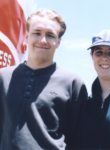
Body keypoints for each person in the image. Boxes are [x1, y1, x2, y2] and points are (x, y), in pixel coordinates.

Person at [0, 9, 88, 150]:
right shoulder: (2, 77)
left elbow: (80, 138)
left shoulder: (72, 83)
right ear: (26, 36)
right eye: (37, 33)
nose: (43, 40)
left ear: (58, 42)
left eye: (50, 35)